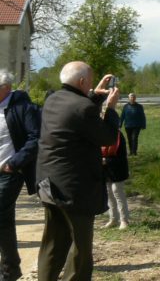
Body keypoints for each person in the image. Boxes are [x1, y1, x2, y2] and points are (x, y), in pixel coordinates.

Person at [36, 61, 120, 281]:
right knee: (81, 250)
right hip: (75, 189)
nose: (91, 85)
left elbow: (75, 115)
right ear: (82, 82)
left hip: (49, 183)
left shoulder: (52, 100)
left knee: (53, 244)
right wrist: (110, 109)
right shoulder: (83, 108)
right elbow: (108, 137)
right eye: (90, 82)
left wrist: (95, 96)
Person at [0, 70, 40, 281]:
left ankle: (9, 269)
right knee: (4, 220)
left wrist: (14, 164)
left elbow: (36, 138)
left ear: (5, 88)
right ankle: (10, 269)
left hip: (10, 173)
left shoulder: (23, 107)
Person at [101, 126, 129, 230]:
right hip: (107, 170)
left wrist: (106, 161)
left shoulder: (118, 136)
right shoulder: (101, 135)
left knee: (117, 191)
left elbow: (121, 156)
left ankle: (124, 220)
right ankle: (113, 219)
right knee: (109, 192)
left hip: (118, 168)